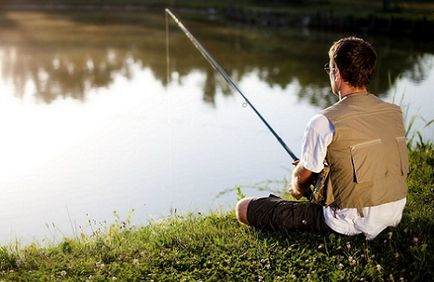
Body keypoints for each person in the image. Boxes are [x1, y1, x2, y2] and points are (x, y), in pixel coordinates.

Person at [235, 36, 408, 240]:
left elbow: (303, 177)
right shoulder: (393, 112)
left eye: (330, 68)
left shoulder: (324, 121)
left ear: (337, 73)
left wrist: (297, 186)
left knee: (244, 208)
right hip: (393, 214)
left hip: (349, 223)